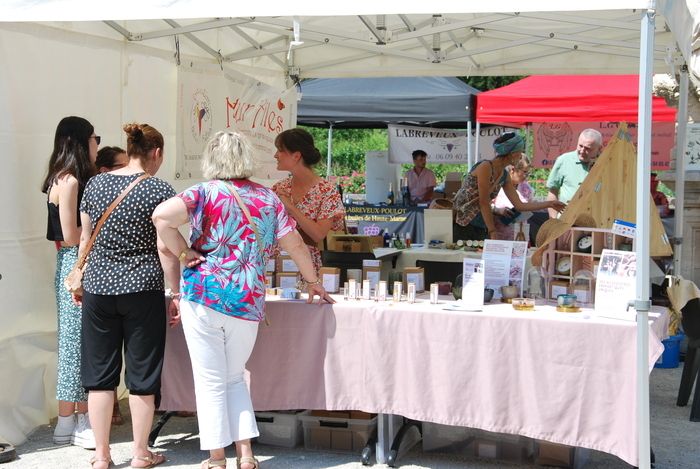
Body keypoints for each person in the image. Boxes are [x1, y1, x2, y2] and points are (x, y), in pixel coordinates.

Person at [152, 130, 334, 469]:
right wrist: (312, 281)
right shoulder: (267, 198)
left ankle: (217, 456)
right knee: (234, 376)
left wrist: (183, 250)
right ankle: (246, 454)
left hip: (204, 295)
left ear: (212, 158)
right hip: (248, 298)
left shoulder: (203, 193)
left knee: (210, 379)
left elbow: (161, 218)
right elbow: (295, 244)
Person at [78, 123, 179, 469]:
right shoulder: (159, 189)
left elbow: (84, 238)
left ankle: (102, 455)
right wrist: (176, 290)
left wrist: (82, 279)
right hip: (142, 288)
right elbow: (165, 246)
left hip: (99, 288)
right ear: (157, 153)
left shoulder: (95, 183)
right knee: (142, 375)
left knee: (99, 376)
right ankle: (140, 453)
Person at [41, 116, 98, 449]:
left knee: (72, 344)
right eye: (94, 138)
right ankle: (76, 421)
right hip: (75, 265)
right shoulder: (71, 181)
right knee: (78, 345)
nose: (96, 145)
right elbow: (71, 235)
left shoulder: (57, 178)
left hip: (65, 264)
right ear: (80, 142)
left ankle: (69, 421)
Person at [453, 132, 566, 241]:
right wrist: (492, 230)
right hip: (464, 222)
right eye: (520, 152)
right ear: (513, 154)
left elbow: (520, 205)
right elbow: (484, 202)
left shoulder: (504, 175)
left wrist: (550, 204)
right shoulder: (485, 167)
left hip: (481, 224)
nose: (521, 155)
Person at [272, 128, 345, 274]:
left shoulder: (326, 191)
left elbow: (318, 234)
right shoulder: (280, 187)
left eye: (280, 150)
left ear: (296, 156)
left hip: (306, 263)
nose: (275, 155)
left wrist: (290, 207)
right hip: (277, 263)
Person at [546, 129, 602, 218]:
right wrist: (553, 219)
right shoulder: (563, 160)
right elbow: (553, 191)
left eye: (588, 148)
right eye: (580, 146)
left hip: (596, 222)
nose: (582, 151)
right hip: (566, 221)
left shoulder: (606, 164)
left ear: (599, 149)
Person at [492, 158, 535, 240]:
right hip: (499, 234)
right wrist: (497, 210)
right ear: (513, 170)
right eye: (524, 172)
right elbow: (486, 205)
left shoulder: (527, 189)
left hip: (520, 233)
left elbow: (529, 208)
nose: (526, 176)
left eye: (528, 173)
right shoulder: (498, 185)